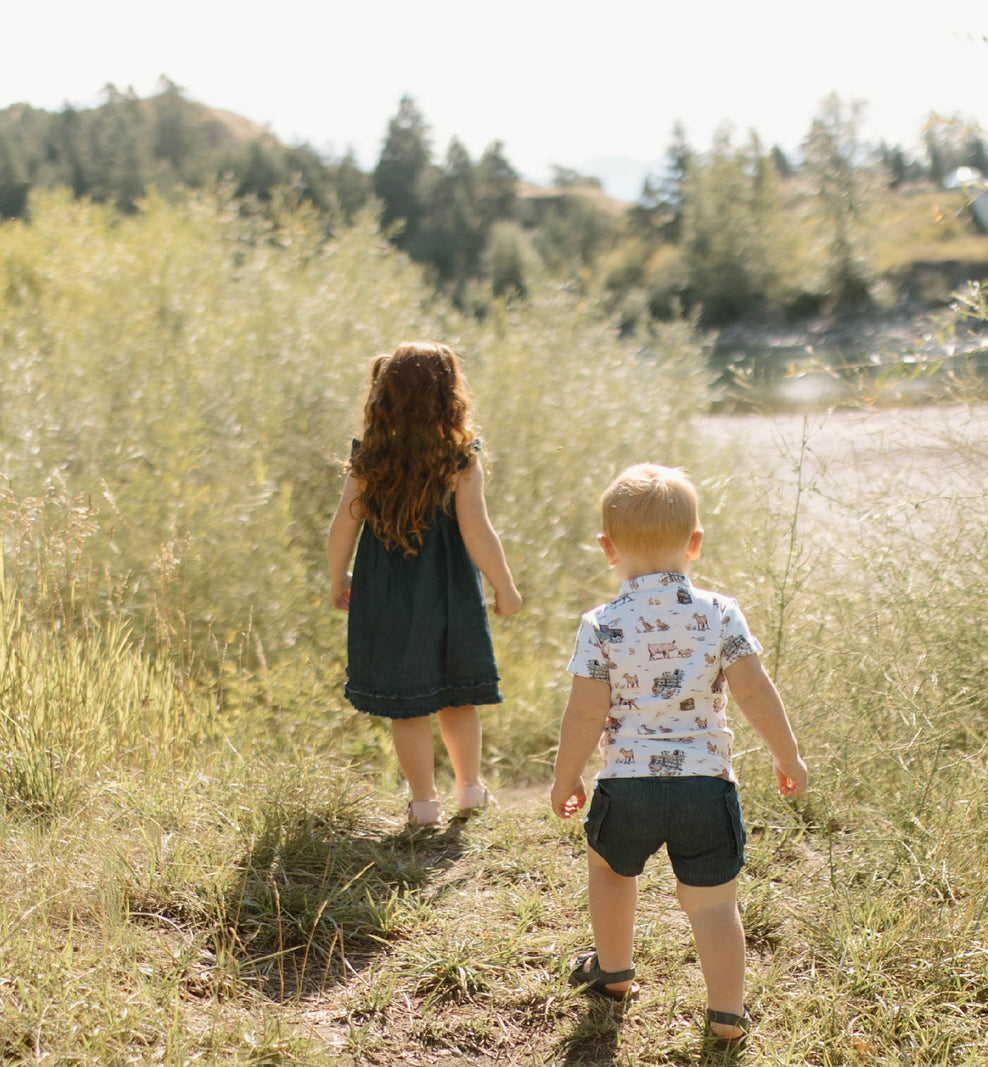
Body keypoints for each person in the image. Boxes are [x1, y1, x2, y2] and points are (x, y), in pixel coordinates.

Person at [550, 463, 807, 1041]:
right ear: (695, 543)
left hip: (627, 786)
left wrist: (567, 777)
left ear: (607, 549)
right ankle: (727, 1014)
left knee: (610, 870)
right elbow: (754, 690)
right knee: (713, 905)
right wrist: (787, 755)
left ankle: (613, 970)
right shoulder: (720, 613)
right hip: (705, 787)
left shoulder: (602, 624)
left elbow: (585, 713)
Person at [328, 342, 522, 827]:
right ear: (449, 394)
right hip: (450, 593)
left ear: (383, 393)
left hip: (385, 594)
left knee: (407, 705)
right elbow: (477, 531)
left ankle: (423, 803)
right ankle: (470, 790)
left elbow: (342, 526)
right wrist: (504, 586)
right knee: (458, 694)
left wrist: (338, 577)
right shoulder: (459, 457)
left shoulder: (369, 457)